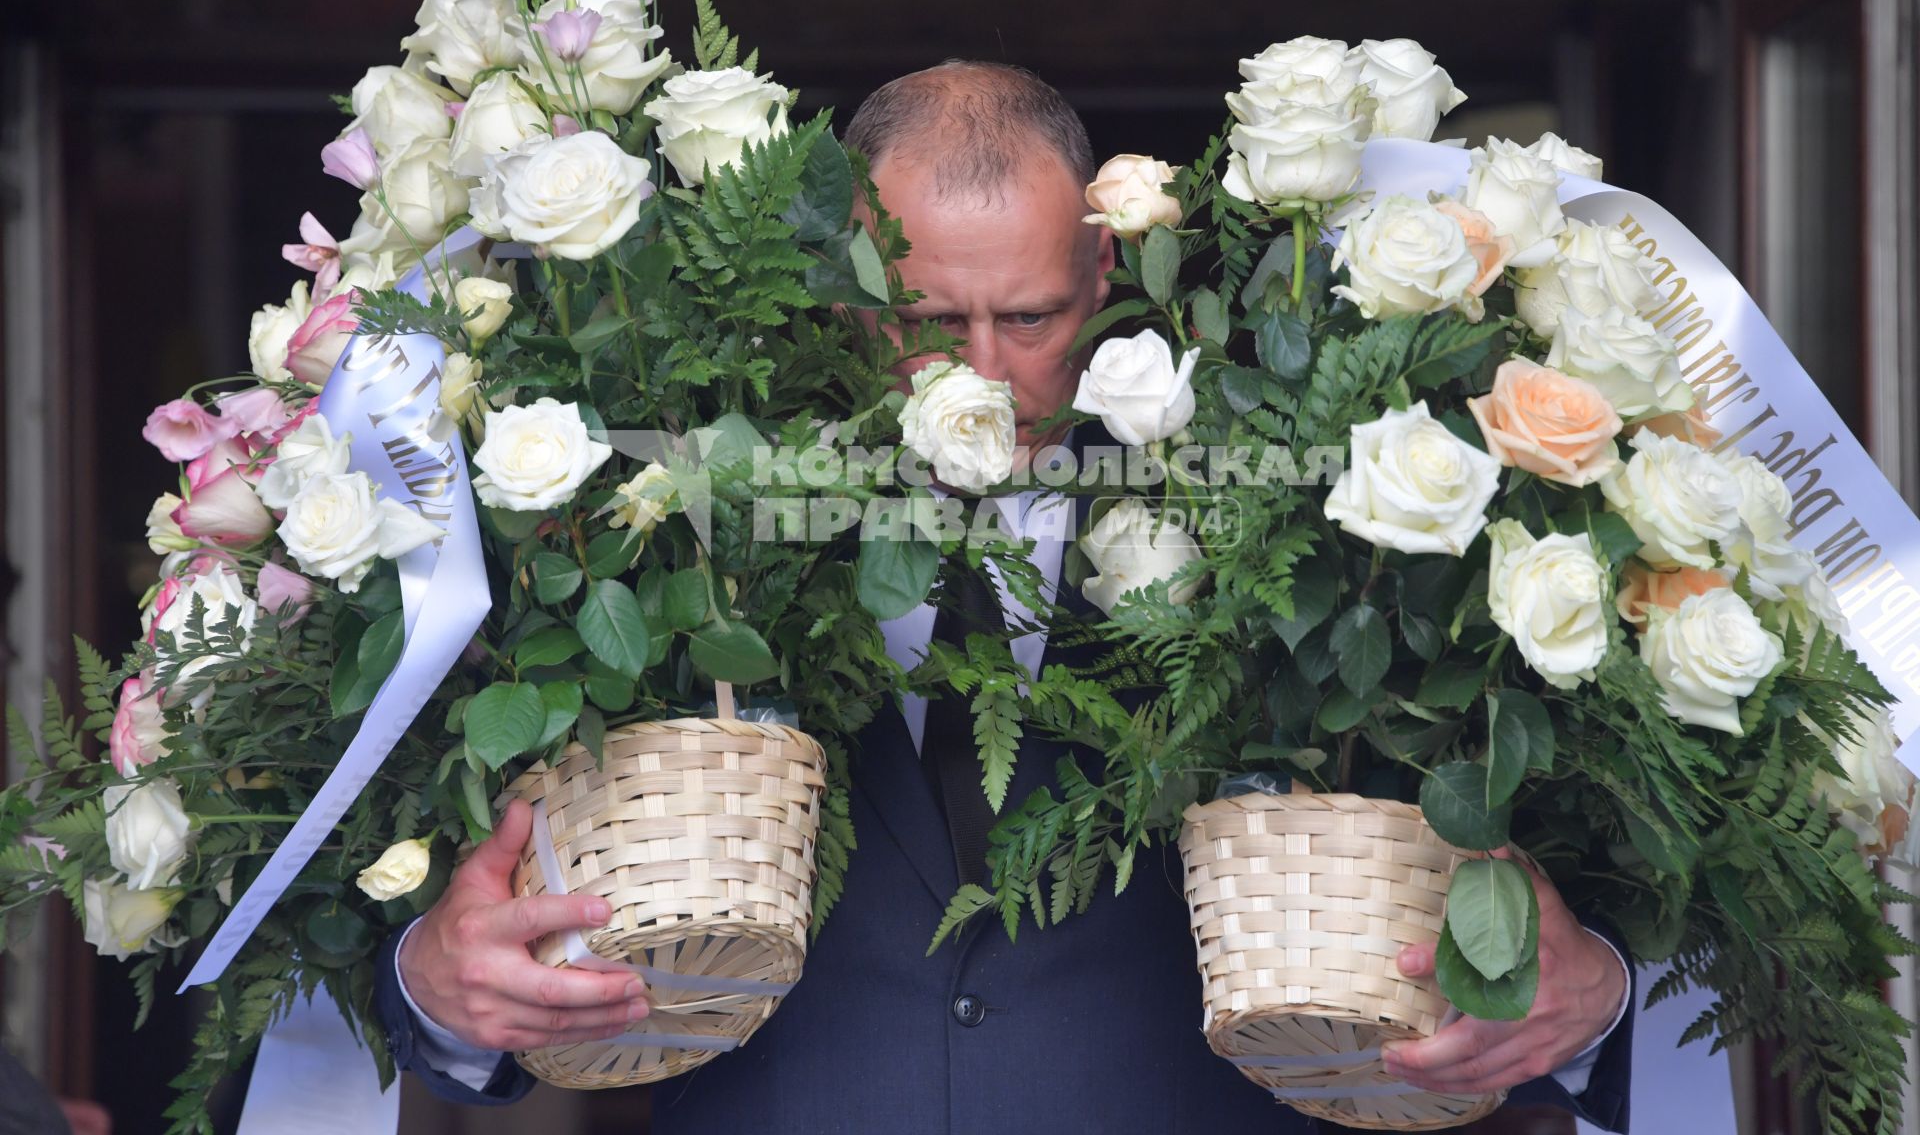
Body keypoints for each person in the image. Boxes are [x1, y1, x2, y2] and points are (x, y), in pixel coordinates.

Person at [374, 62, 1635, 1133]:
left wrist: (1593, 1002)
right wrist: (435, 980)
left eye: (1029, 316)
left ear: (1105, 272)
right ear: (837, 281)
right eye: (926, 317)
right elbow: (404, 921)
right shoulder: (672, 519)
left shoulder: (1298, 525)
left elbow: (1608, 896)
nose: (983, 374)